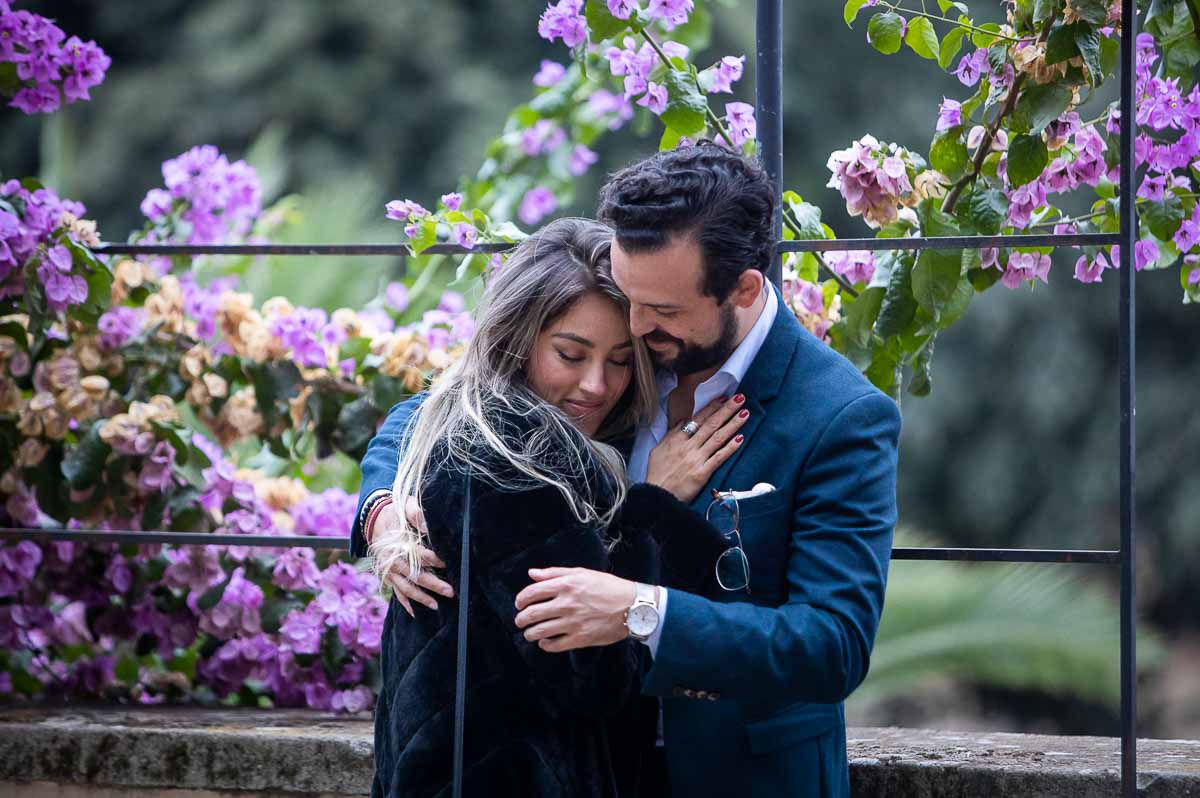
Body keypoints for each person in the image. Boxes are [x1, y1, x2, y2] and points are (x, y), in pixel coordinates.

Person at [359, 143, 902, 798]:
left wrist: (643, 610)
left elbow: (831, 644)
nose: (637, 326)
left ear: (743, 289)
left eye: (663, 310)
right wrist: (383, 507)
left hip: (742, 779)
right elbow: (444, 407)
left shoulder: (840, 417)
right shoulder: (614, 361)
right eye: (629, 298)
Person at [360, 217, 748, 798]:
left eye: (621, 360)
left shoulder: (562, 431)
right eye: (571, 354)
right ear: (516, 341)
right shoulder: (514, 456)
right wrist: (655, 505)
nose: (596, 385)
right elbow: (592, 674)